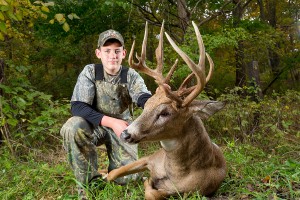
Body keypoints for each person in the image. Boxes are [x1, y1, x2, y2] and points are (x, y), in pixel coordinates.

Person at [60, 29, 152, 199]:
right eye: (107, 51)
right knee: (72, 127)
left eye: (117, 51)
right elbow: (78, 106)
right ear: (98, 53)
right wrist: (111, 122)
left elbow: (142, 97)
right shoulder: (90, 72)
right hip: (94, 125)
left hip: (123, 128)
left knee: (127, 179)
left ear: (123, 53)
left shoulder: (130, 75)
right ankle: (89, 186)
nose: (112, 56)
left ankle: (121, 172)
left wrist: (155, 102)